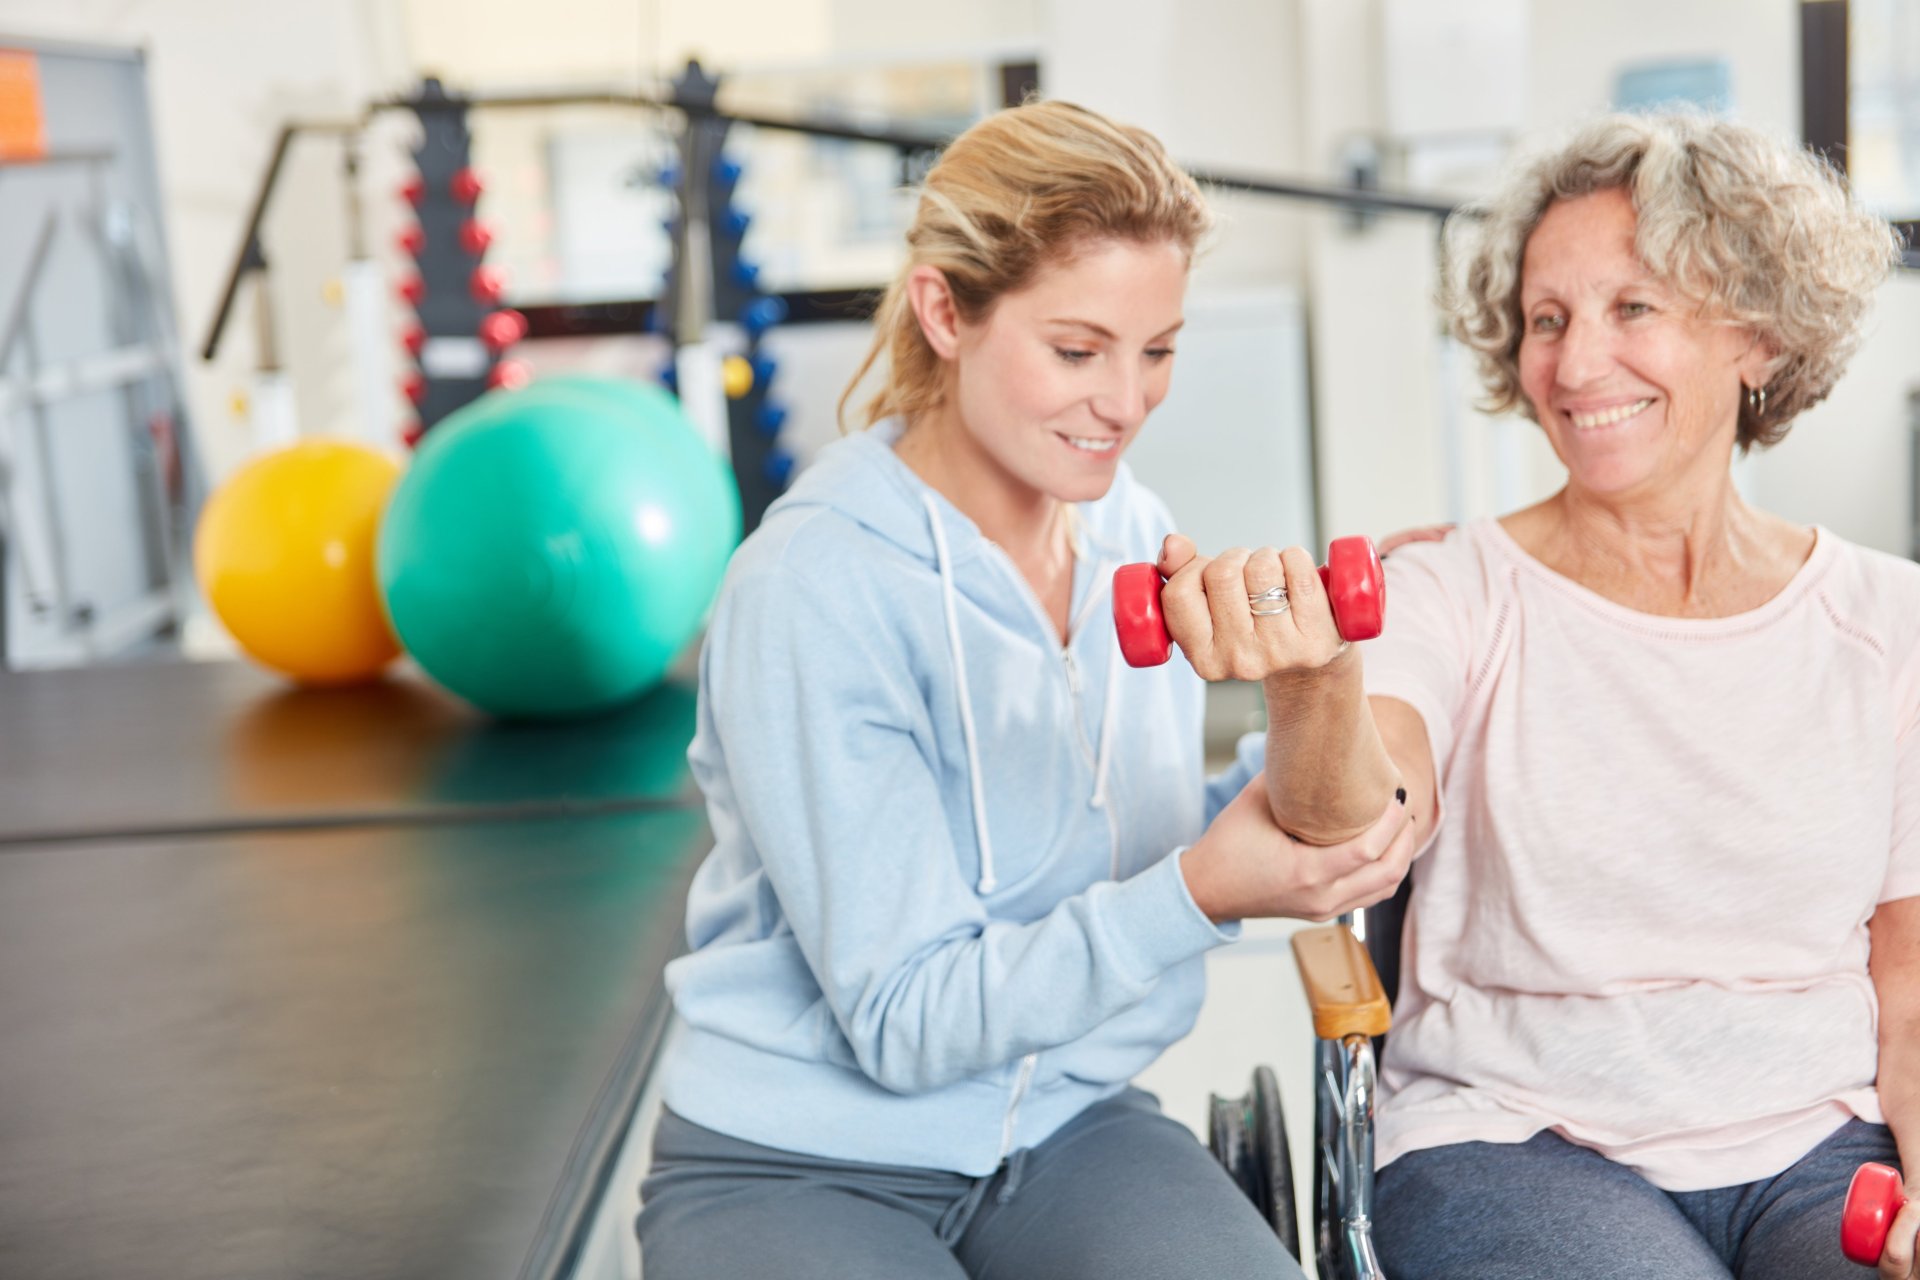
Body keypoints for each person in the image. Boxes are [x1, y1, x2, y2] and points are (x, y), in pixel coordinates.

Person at [633, 99, 1418, 1280]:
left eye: (1157, 350)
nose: (1126, 400)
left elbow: (1140, 826)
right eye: (1077, 349)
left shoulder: (1130, 533)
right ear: (944, 309)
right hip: (799, 1154)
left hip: (1068, 1126)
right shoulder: (813, 588)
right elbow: (906, 1020)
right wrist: (1203, 890)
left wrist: (1315, 687)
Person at [1154, 110, 1917, 1279]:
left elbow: (1909, 968)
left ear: (1758, 336)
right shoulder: (1449, 589)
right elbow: (1356, 813)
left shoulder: (1886, 622)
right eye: (1546, 320)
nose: (1572, 362)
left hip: (1819, 1141)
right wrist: (1318, 682)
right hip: (1516, 1135)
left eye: (1633, 308)